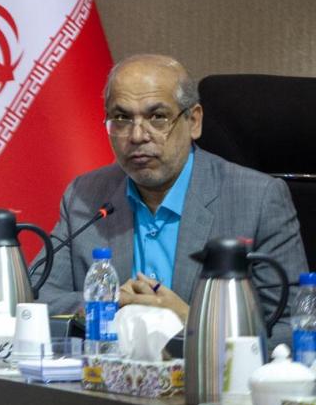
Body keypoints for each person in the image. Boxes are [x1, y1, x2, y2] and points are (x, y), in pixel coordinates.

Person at [38, 54, 308, 341]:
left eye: (157, 117)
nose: (137, 136)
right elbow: (37, 296)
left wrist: (193, 323)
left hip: (207, 368)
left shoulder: (258, 199)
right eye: (122, 118)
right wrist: (110, 304)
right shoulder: (85, 195)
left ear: (194, 121)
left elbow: (294, 328)